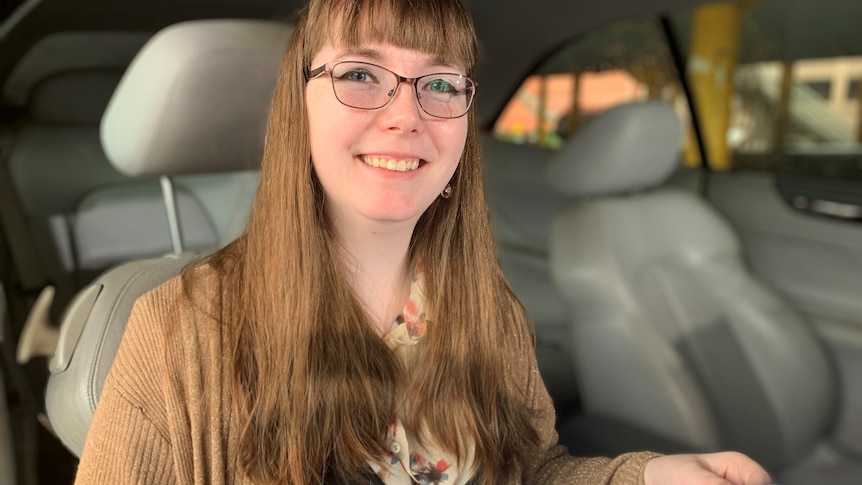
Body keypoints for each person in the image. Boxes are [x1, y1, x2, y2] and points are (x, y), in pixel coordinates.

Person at [74, 0, 774, 483]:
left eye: (438, 82)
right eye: (359, 75)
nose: (404, 114)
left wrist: (649, 473)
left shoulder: (486, 305)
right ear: (299, 104)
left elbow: (534, 471)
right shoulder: (174, 334)